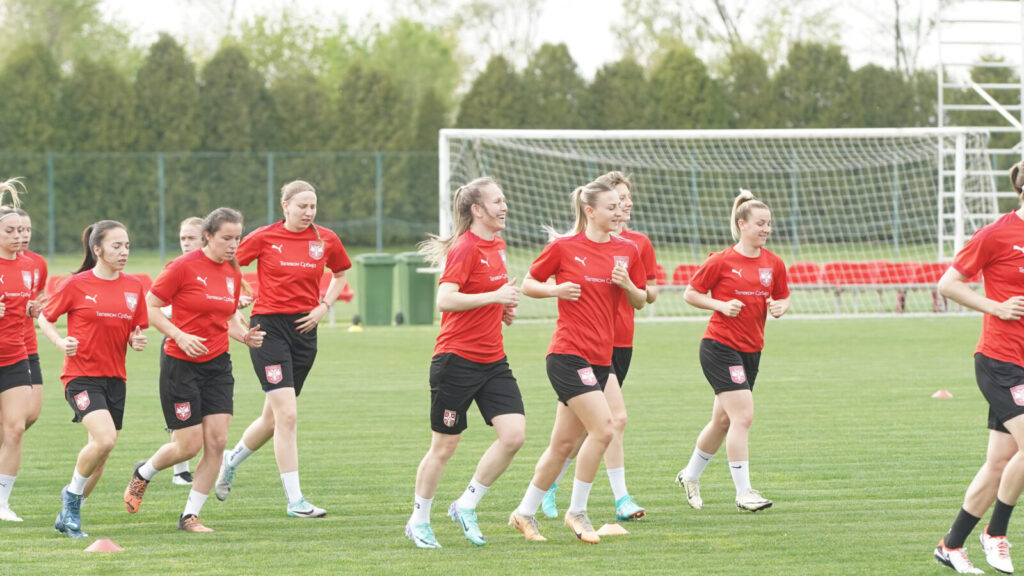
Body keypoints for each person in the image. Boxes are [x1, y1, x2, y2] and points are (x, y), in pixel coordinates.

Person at [508, 178, 647, 544]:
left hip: (603, 360)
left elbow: (639, 300)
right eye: (612, 207)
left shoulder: (628, 251)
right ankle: (577, 511)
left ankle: (523, 513)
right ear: (590, 211)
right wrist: (555, 289)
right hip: (568, 354)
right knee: (605, 428)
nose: (619, 212)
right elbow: (529, 284)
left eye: (621, 206)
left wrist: (627, 285)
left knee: (563, 446)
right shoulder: (564, 248)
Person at [123, 207, 265, 532]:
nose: (233, 245)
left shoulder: (233, 272)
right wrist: (179, 334)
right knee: (188, 446)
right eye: (226, 238)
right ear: (208, 236)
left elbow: (226, 316)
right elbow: (150, 307)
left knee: (216, 442)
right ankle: (144, 472)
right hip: (180, 364)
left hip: (217, 365)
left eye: (237, 238)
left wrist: (244, 336)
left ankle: (190, 516)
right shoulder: (182, 267)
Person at [216, 180, 351, 518]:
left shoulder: (326, 239)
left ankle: (230, 461)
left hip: (305, 332)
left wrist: (323, 307)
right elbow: (227, 266)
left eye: (313, 206)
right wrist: (238, 298)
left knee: (272, 419)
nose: (309, 212)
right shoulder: (265, 237)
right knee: (287, 415)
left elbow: (342, 272)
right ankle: (296, 501)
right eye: (302, 206)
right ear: (285, 206)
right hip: (268, 330)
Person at [405, 177, 524, 549]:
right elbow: (445, 299)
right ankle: (418, 521)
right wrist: (494, 295)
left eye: (504, 200)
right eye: (497, 201)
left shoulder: (498, 246)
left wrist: (502, 307)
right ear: (477, 210)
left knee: (514, 436)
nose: (504, 207)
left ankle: (466, 503)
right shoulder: (465, 248)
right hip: (455, 361)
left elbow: (486, 294)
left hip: (493, 361)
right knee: (444, 447)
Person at [541, 171, 659, 522]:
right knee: (608, 422)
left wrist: (630, 286)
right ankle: (616, 498)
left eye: (627, 199)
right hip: (583, 347)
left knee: (590, 428)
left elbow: (649, 293)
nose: (626, 205)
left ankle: (548, 487)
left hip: (619, 344)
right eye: (618, 199)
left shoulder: (637, 244)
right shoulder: (575, 246)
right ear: (598, 206)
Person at [932, 161, 1024, 575]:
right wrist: (995, 307)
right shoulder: (996, 234)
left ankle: (951, 545)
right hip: (999, 360)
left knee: (1000, 463)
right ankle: (996, 534)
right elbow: (948, 284)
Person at [674, 189, 789, 514]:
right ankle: (744, 493)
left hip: (752, 350)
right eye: (760, 224)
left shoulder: (773, 263)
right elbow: (690, 293)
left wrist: (781, 307)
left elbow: (783, 296)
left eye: (769, 224)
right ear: (742, 224)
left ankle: (690, 476)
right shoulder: (721, 260)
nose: (766, 229)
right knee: (743, 415)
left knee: (723, 421)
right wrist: (720, 305)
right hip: (719, 346)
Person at [40, 220, 148, 538]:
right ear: (97, 249)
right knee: (105, 439)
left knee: (101, 455)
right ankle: (71, 499)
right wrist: (61, 342)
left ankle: (68, 516)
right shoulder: (76, 285)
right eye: (116, 246)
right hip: (80, 375)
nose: (123, 251)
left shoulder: (133, 287)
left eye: (127, 245)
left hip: (115, 378)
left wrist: (135, 340)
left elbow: (134, 329)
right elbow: (46, 317)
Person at [0, 179, 35, 522]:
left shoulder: (29, 266)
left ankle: (2, 503)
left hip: (14, 356)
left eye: (23, 230)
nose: (19, 236)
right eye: (11, 230)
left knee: (15, 428)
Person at [166, 217, 203, 486]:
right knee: (183, 414)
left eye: (192, 237)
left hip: (209, 350)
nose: (186, 243)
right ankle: (180, 471)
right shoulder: (175, 268)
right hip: (176, 347)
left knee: (205, 414)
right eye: (183, 238)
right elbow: (157, 309)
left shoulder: (219, 268)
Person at [16, 209, 47, 434]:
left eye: (27, 229)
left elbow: (39, 298)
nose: (23, 234)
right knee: (13, 424)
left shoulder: (37, 263)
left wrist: (38, 309)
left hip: (27, 344)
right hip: (6, 347)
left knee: (32, 414)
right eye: (17, 230)